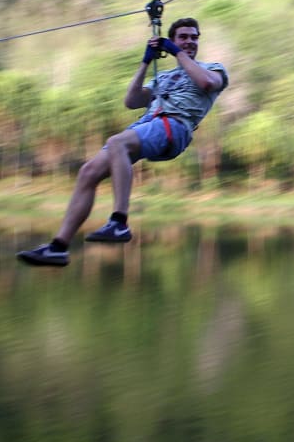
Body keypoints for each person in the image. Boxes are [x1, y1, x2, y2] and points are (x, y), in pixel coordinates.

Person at [17, 17, 228, 266]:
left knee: (117, 143)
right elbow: (132, 101)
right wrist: (146, 61)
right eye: (183, 37)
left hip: (175, 126)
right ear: (173, 40)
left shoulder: (213, 69)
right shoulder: (164, 77)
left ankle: (119, 221)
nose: (190, 41)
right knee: (88, 172)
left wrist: (178, 52)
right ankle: (59, 246)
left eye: (194, 37)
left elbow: (206, 83)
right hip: (148, 124)